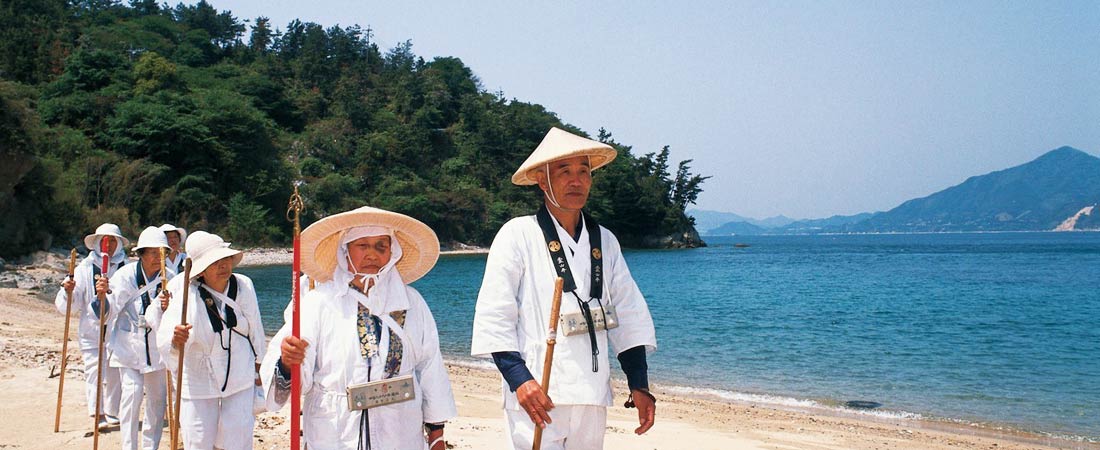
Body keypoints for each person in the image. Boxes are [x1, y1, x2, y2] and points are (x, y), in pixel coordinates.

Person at [471, 127, 658, 449]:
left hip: (592, 390)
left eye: (584, 172)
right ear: (542, 181)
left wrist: (638, 384)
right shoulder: (518, 234)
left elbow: (628, 311)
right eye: (565, 172)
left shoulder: (605, 240)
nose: (576, 181)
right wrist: (519, 380)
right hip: (538, 389)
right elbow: (495, 314)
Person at [260, 206, 457, 450]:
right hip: (335, 431)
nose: (372, 254)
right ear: (346, 251)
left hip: (399, 429)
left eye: (381, 246)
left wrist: (436, 431)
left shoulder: (411, 302)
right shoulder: (318, 302)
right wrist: (289, 362)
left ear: (392, 251)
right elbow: (296, 373)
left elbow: (429, 366)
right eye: (362, 246)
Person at [156, 231, 266, 450]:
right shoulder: (186, 291)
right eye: (215, 262)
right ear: (201, 269)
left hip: (239, 371)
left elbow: (256, 327)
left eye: (225, 259)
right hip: (199, 377)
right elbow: (167, 335)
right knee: (198, 439)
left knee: (239, 435)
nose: (223, 265)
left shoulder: (244, 285)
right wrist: (177, 339)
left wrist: (259, 368)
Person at [104, 226, 175, 450]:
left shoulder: (170, 278)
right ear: (141, 254)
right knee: (131, 397)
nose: (157, 258)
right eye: (152, 253)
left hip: (156, 349)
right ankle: (128, 446)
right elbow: (107, 312)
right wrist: (101, 298)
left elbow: (177, 316)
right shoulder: (124, 276)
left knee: (156, 401)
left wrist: (168, 308)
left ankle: (150, 446)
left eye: (161, 252)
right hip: (129, 346)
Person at [56, 223, 129, 429]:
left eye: (113, 241)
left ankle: (113, 411)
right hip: (91, 328)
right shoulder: (84, 268)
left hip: (119, 328)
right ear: (97, 243)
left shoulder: (127, 267)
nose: (109, 245)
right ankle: (97, 413)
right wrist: (68, 291)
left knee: (115, 370)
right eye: (105, 241)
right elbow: (72, 303)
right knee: (94, 369)